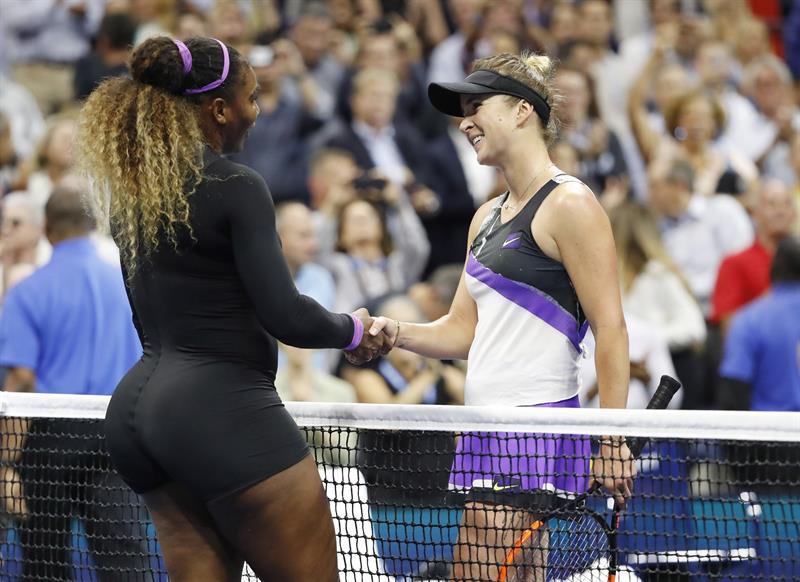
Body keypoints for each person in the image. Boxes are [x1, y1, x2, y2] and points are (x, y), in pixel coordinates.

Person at [75, 36, 389, 581]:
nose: (257, 111)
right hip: (221, 413)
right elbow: (285, 314)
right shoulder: (237, 186)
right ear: (220, 109)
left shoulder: (137, 197)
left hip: (139, 417)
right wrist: (352, 330)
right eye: (253, 97)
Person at [368, 51, 635, 581]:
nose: (464, 121)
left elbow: (611, 327)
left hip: (531, 424)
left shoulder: (570, 204)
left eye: (476, 106)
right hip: (485, 425)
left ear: (521, 111)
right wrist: (394, 333)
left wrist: (612, 439)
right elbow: (461, 331)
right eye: (461, 111)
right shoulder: (484, 218)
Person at [0, 185, 147, 580]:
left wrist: (6, 462)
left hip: (49, 442)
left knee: (46, 565)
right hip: (117, 432)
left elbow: (22, 381)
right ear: (94, 224)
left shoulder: (27, 292)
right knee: (127, 564)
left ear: (47, 229)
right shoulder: (127, 286)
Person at [711, 179, 798, 332]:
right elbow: (730, 329)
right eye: (771, 204)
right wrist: (779, 298)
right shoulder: (734, 263)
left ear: (794, 213)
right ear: (755, 212)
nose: (780, 211)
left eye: (786, 204)